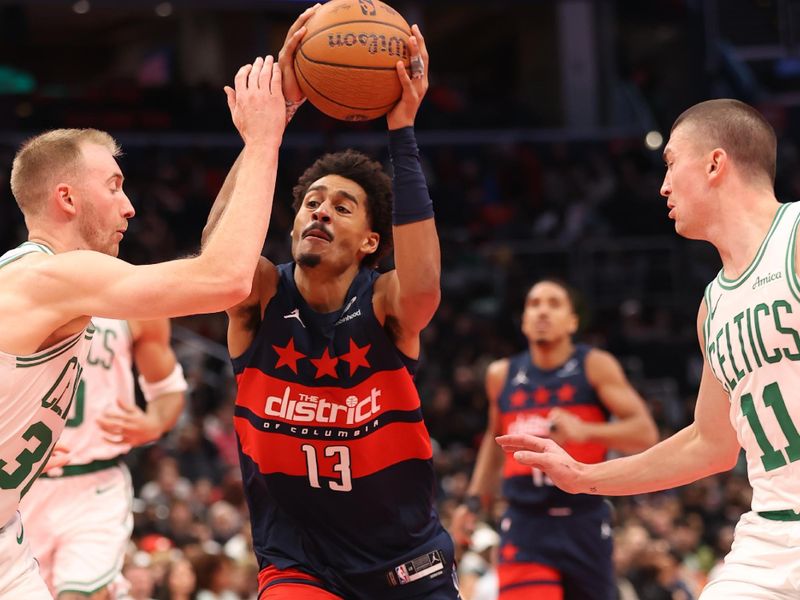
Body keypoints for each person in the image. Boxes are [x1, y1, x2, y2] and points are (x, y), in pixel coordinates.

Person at [0, 54, 286, 598]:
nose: (129, 207)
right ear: (67, 198)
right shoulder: (54, 275)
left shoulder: (32, 279)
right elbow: (225, 278)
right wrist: (265, 140)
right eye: (114, 185)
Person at [497, 98, 800, 599]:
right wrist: (583, 475)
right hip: (770, 536)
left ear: (714, 163)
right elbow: (709, 443)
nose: (662, 186)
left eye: (670, 163)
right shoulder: (713, 308)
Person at [202, 12, 459, 600]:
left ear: (372, 241)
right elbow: (217, 262)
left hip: (405, 561)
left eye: (343, 207)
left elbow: (424, 283)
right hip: (299, 564)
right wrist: (271, 127)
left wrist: (403, 130)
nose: (319, 211)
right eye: (312, 202)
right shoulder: (261, 294)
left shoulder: (388, 302)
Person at [451, 279, 658, 599]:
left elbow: (645, 433)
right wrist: (475, 502)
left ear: (573, 321)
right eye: (533, 304)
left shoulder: (595, 365)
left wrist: (587, 430)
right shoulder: (501, 375)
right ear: (523, 321)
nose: (542, 311)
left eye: (553, 303)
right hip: (524, 522)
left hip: (584, 518)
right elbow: (494, 447)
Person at [20, 317, 186, 598]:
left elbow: (167, 387)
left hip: (96, 484)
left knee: (80, 593)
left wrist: (155, 422)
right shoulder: (14, 288)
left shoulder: (134, 300)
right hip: (20, 484)